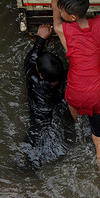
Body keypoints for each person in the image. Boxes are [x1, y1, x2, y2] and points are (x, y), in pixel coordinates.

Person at [49, 0, 100, 166]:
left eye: (63, 12)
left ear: (73, 18)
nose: (60, 13)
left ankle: (76, 123)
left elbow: (54, 10)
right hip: (98, 94)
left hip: (75, 91)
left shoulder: (63, 30)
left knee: (71, 99)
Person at [22, 24, 71, 169]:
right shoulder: (69, 79)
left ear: (41, 75)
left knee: (29, 158)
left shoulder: (34, 80)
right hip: (60, 121)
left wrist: (40, 40)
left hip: (39, 122)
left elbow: (30, 61)